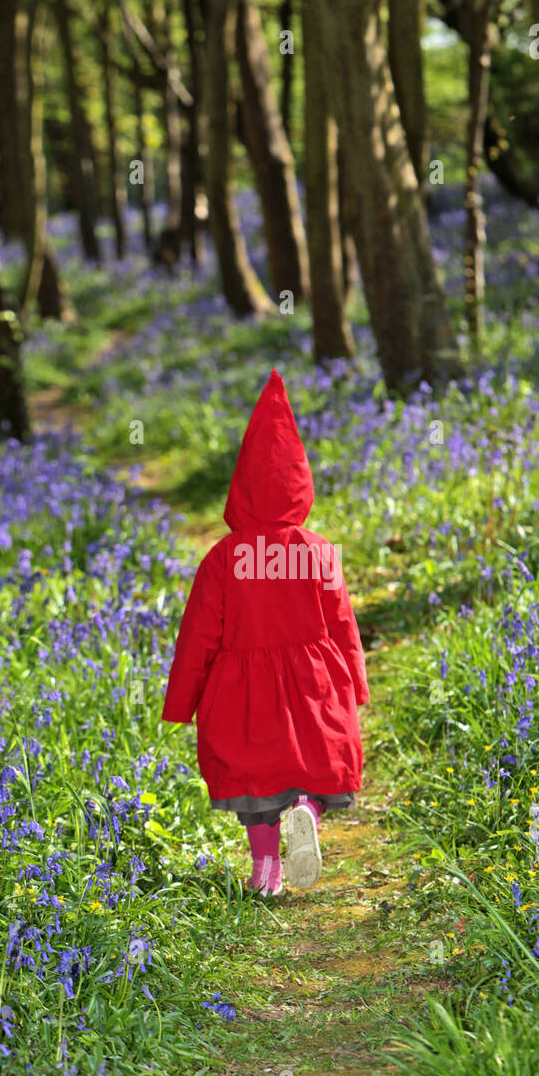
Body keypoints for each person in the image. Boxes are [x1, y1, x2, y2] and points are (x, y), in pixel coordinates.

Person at [162, 370, 369, 895]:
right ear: (300, 482)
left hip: (243, 688)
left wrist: (183, 700)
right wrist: (356, 684)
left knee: (252, 777)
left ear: (242, 486)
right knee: (319, 763)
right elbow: (343, 624)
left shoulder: (222, 559)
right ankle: (306, 811)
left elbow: (198, 638)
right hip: (312, 681)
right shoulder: (318, 551)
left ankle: (265, 871)